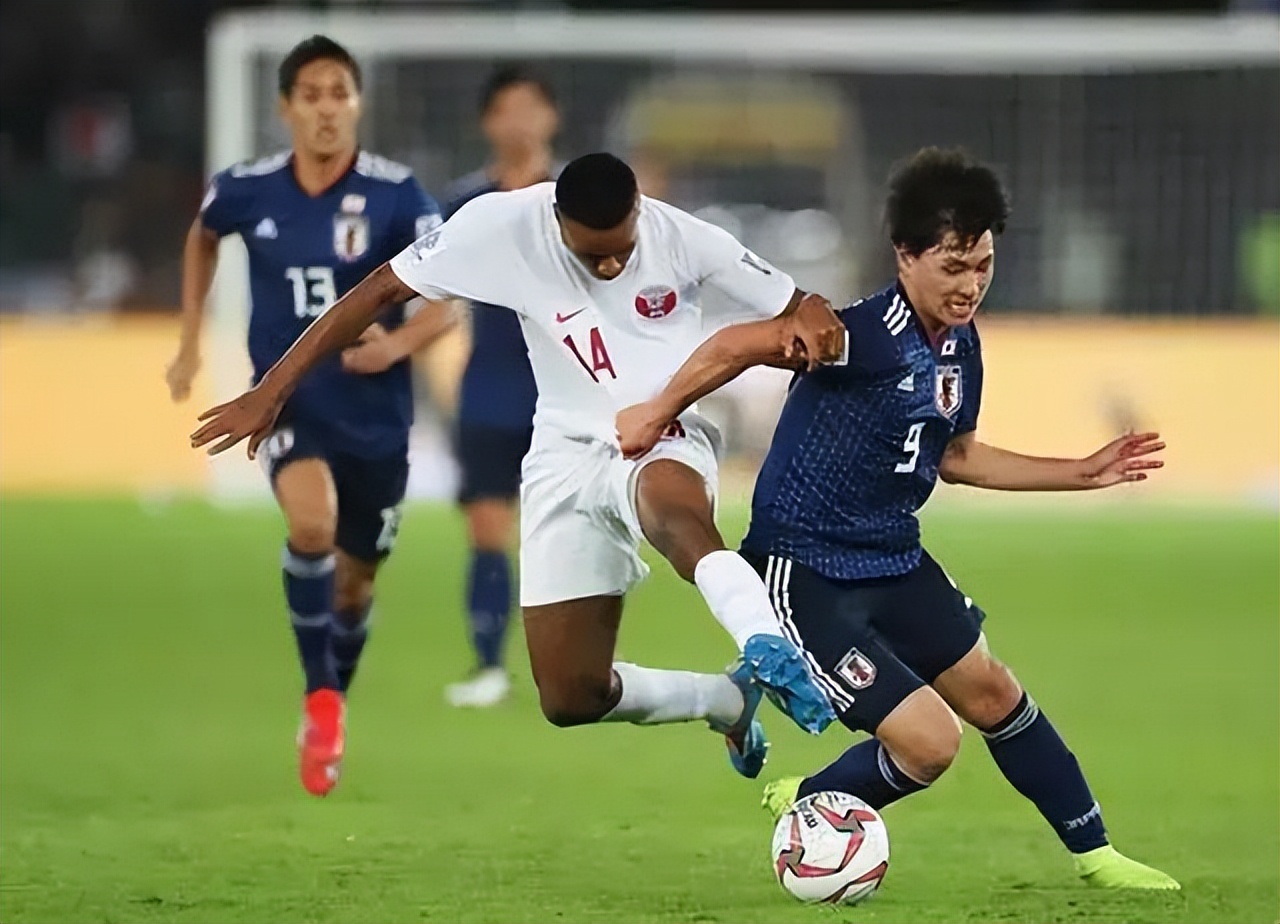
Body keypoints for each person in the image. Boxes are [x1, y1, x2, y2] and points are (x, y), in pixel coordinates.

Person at [616, 147, 1179, 890]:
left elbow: (958, 456)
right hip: (804, 570)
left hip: (894, 558)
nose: (971, 285)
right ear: (906, 256)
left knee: (995, 694)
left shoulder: (961, 346)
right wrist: (657, 411)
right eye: (953, 266)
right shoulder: (857, 337)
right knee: (931, 744)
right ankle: (814, 801)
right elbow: (735, 344)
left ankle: (1097, 855)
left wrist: (1081, 471)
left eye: (983, 265)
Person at [191, 152, 849, 779]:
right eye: (593, 254)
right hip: (563, 454)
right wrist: (272, 389)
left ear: (638, 212)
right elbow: (378, 290)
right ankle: (726, 701)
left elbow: (800, 305)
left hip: (661, 433)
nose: (612, 263)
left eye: (622, 247)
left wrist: (816, 318)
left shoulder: (684, 238)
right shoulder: (499, 226)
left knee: (676, 517)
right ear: (557, 222)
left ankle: (765, 639)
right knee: (571, 694)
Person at [166, 35, 451, 797]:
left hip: (377, 416)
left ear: (357, 104)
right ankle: (321, 696)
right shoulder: (246, 189)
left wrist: (395, 346)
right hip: (289, 401)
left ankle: (330, 699)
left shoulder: (396, 193)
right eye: (312, 95)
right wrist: (191, 338)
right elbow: (202, 236)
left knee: (355, 587)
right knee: (312, 525)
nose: (327, 109)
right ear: (285, 107)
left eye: (340, 94)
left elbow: (447, 299)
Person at [440, 65, 559, 708]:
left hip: (562, 391)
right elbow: (433, 296)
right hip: (489, 385)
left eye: (531, 108)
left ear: (551, 118)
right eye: (508, 109)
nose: (521, 121)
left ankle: (575, 666)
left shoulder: (575, 199)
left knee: (567, 536)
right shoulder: (464, 203)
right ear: (489, 122)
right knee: (487, 529)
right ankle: (489, 666)